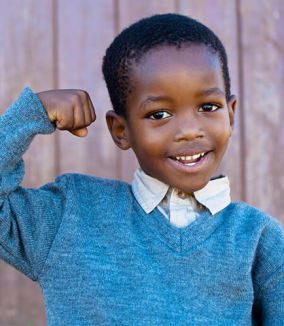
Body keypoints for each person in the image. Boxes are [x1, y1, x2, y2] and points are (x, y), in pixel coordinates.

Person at [0, 13, 283, 326]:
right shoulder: (69, 216)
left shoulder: (259, 239)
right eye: (159, 113)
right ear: (121, 130)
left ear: (230, 115)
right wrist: (28, 116)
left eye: (208, 107)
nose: (190, 130)